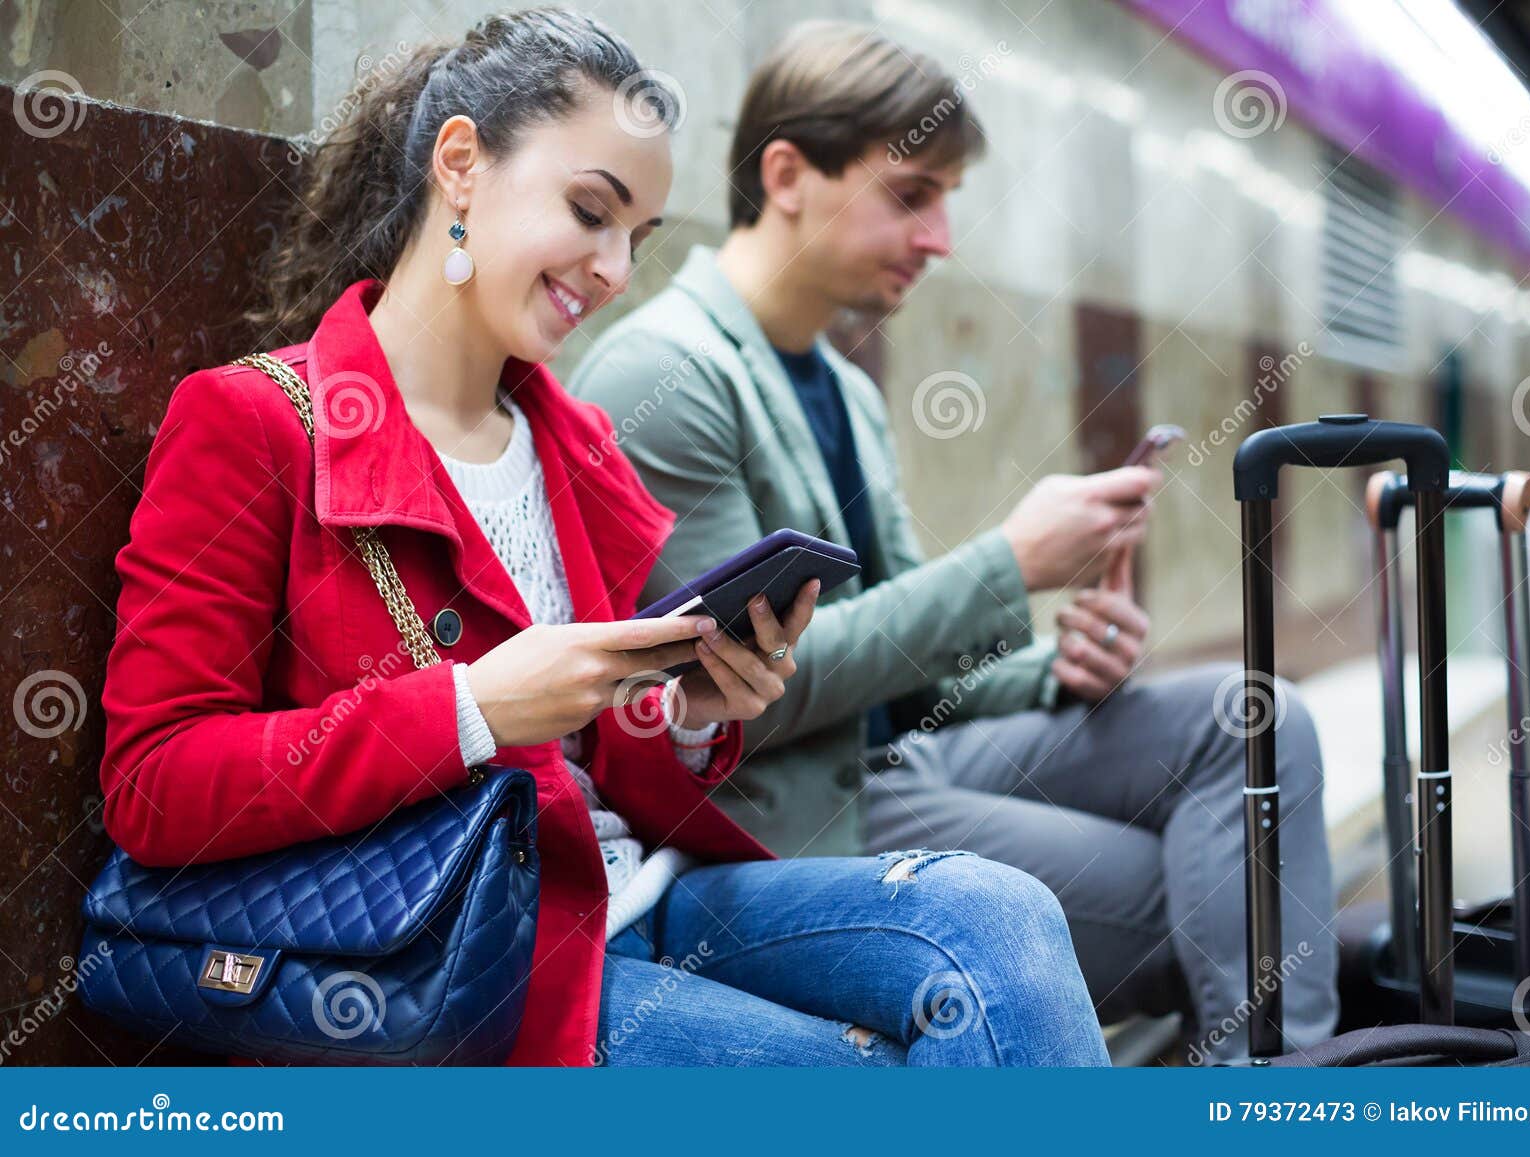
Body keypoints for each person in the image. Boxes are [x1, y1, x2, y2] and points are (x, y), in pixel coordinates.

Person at [96, 9, 1110, 1068]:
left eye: (639, 236)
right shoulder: (253, 420)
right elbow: (155, 785)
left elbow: (594, 747)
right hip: (468, 955)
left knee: (1000, 913)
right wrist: (472, 708)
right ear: (461, 164)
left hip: (645, 891)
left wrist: (682, 710)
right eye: (591, 210)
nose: (616, 268)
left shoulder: (568, 441)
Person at [570, 20, 1336, 1061]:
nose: (939, 239)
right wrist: (1007, 566)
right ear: (788, 174)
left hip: (896, 754)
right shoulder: (667, 375)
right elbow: (741, 695)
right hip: (790, 812)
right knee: (1221, 896)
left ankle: (1288, 1086)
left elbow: (898, 662)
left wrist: (1046, 666)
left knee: (1253, 719)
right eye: (911, 194)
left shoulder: (840, 384)